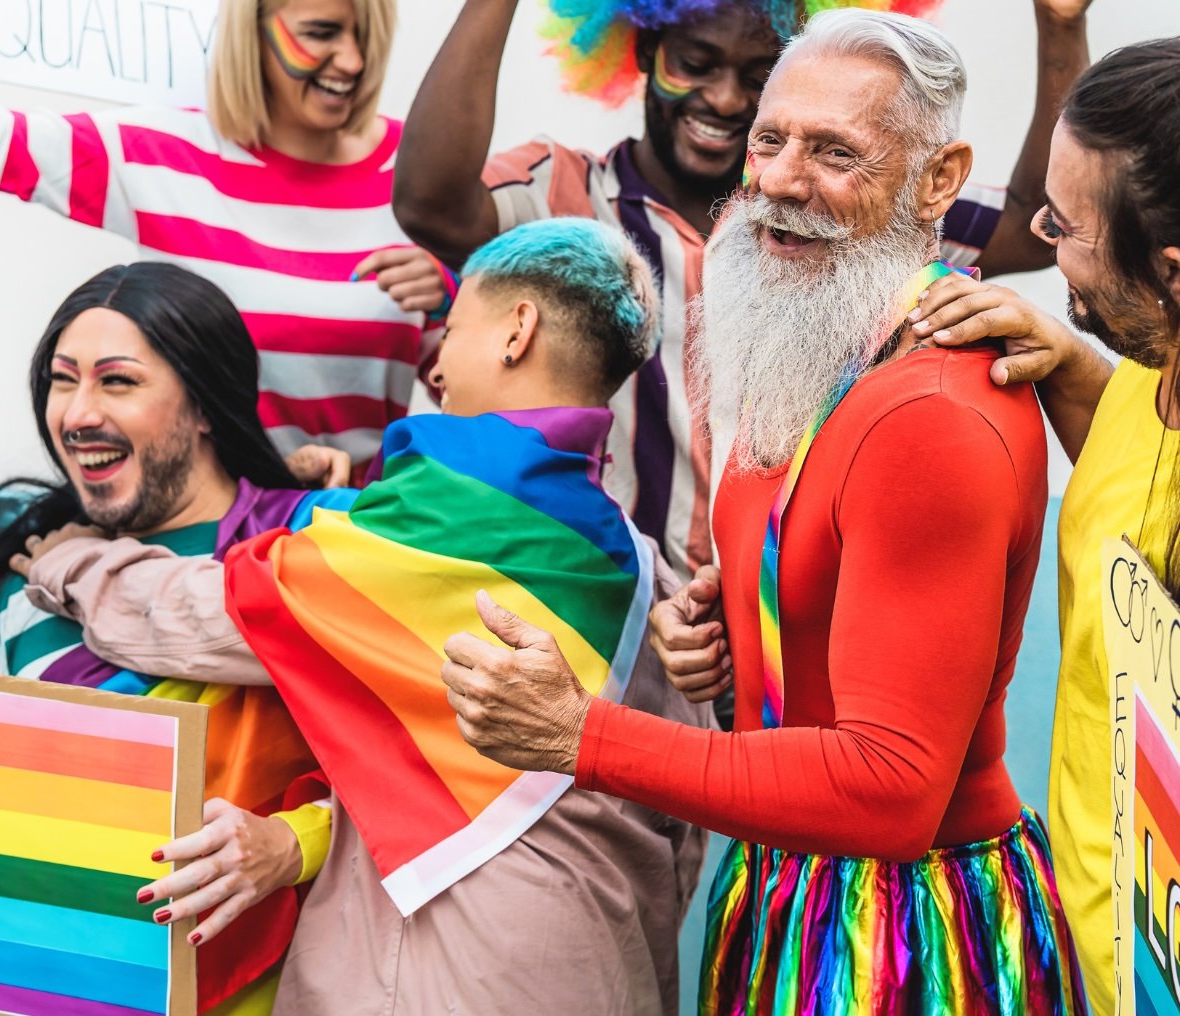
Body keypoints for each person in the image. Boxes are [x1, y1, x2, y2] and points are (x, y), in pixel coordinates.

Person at [437, 13, 1088, 1012]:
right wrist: (735, 622)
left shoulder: (929, 413)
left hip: (907, 941)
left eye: (836, 152)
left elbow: (890, 786)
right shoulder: (820, 334)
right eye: (772, 141)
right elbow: (825, 591)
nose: (782, 178)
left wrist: (581, 736)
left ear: (938, 178)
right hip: (790, 889)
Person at [13, 218, 713, 1015]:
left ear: (517, 332)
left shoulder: (436, 519)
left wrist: (67, 561)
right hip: (606, 965)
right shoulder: (644, 565)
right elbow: (682, 820)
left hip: (449, 972)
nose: (437, 366)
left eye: (452, 331)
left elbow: (205, 615)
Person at [393, 0, 1093, 578]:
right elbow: (432, 205)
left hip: (780, 623)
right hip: (610, 597)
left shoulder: (843, 211)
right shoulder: (568, 190)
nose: (725, 99)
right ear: (640, 54)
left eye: (757, 76)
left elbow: (1034, 224)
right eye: (693, 65)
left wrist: (1060, 27)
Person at [0, 262, 355, 1016]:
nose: (77, 413)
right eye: (63, 381)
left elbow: (421, 766)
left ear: (203, 404)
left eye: (117, 381)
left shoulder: (314, 537)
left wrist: (295, 842)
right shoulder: (26, 579)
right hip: (71, 985)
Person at [0, 0, 449, 481]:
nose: (353, 61)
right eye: (323, 32)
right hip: (208, 557)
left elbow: (485, 387)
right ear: (249, 30)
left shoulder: (419, 175)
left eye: (365, 35)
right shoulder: (159, 155)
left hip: (365, 547)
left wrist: (451, 299)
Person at [899, 38, 1180, 1014]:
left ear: (1173, 275)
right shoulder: (1147, 377)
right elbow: (1136, 463)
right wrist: (1069, 360)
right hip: (1083, 953)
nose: (1042, 252)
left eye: (1063, 226)